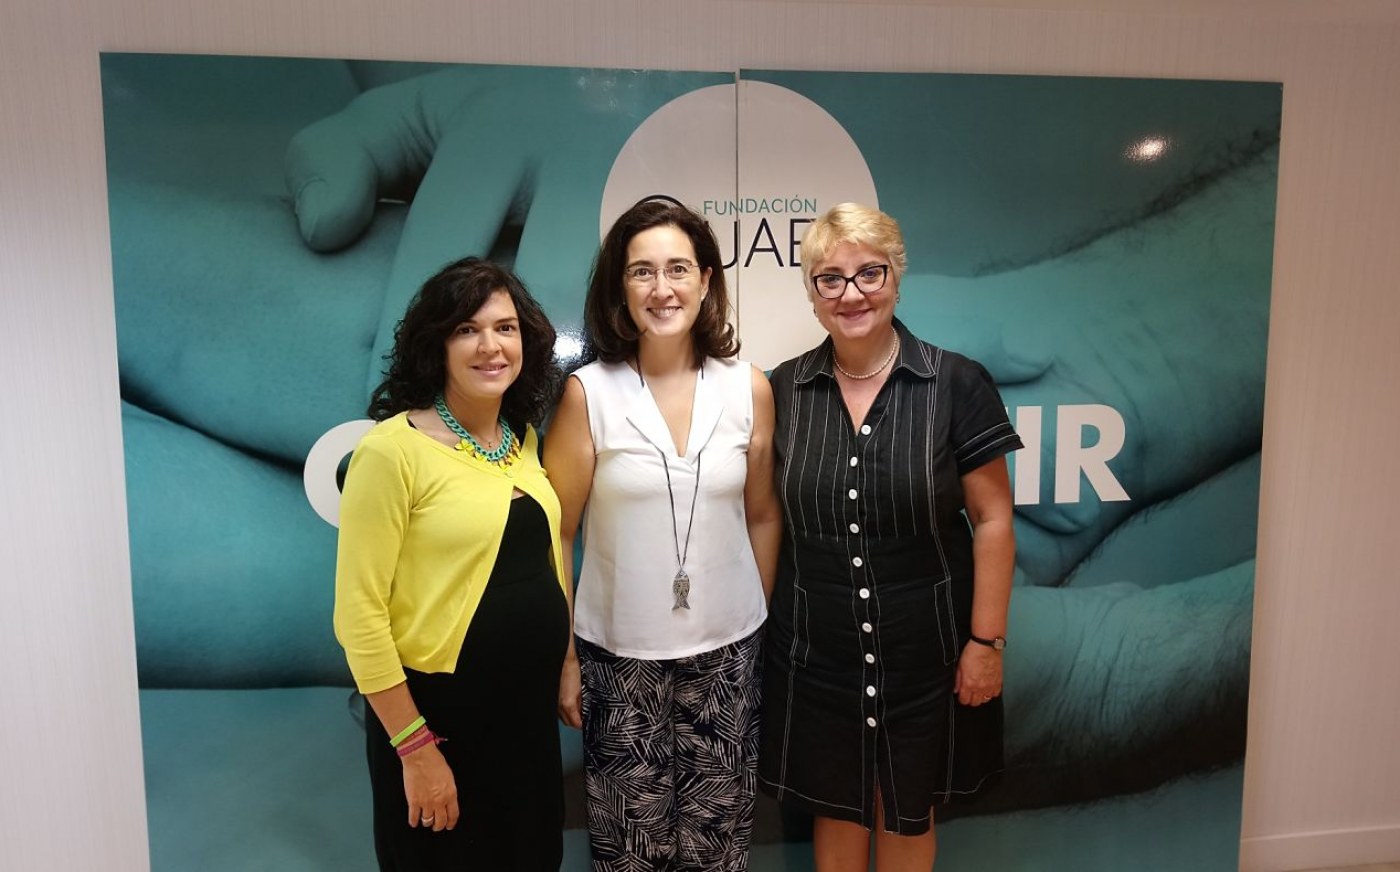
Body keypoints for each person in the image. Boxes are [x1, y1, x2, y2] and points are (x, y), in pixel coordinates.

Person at [758, 203, 1022, 871]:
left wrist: (986, 643)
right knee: (836, 806)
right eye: (830, 279)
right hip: (816, 653)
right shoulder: (782, 389)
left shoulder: (954, 382)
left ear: (896, 278)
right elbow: (766, 520)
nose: (851, 294)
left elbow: (993, 520)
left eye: (869, 273)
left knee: (907, 807)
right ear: (813, 294)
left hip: (926, 652)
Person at [543, 198, 781, 871]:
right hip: (619, 660)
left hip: (727, 656)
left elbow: (763, 514)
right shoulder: (588, 394)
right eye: (641, 271)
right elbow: (557, 532)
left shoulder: (749, 388)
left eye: (677, 268)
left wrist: (751, 621)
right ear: (620, 287)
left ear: (706, 280)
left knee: (717, 846)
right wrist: (565, 659)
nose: (661, 287)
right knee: (633, 851)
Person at [333, 256, 568, 871]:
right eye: (468, 329)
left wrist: (567, 660)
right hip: (437, 721)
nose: (491, 346)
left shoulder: (522, 440)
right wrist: (415, 748)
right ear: (436, 344)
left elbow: (546, 562)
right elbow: (359, 616)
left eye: (505, 328)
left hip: (525, 716)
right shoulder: (391, 452)